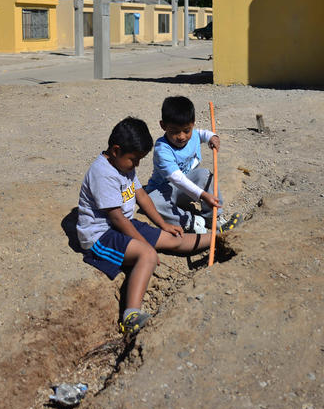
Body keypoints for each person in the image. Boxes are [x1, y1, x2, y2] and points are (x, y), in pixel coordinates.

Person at [76, 116, 218, 335]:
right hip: (101, 235)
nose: (137, 165)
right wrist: (145, 244)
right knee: (148, 255)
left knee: (172, 238)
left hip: (123, 224)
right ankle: (130, 316)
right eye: (134, 159)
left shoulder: (124, 166)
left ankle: (220, 237)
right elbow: (117, 219)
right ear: (115, 150)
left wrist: (163, 224)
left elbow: (141, 195)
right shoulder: (102, 173)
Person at [145, 96, 241, 233]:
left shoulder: (193, 134)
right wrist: (202, 195)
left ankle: (213, 217)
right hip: (165, 191)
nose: (182, 136)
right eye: (174, 131)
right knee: (151, 202)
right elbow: (177, 179)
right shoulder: (162, 150)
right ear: (163, 126)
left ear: (193, 124)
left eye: (186, 130)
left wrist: (212, 137)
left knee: (205, 175)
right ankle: (191, 222)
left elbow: (202, 134)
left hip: (186, 189)